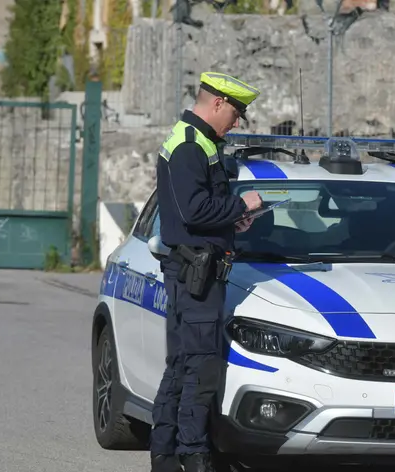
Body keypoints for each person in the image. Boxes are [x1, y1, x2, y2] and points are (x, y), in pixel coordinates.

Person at [149, 71, 264, 472]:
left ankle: (165, 453)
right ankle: (192, 455)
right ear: (216, 103)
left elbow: (198, 211)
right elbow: (192, 210)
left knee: (183, 365)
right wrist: (240, 206)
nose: (236, 121)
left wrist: (232, 222)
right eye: (235, 112)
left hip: (198, 270)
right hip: (195, 273)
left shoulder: (199, 141)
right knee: (200, 367)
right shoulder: (188, 145)